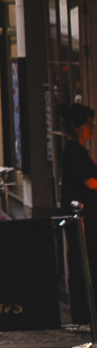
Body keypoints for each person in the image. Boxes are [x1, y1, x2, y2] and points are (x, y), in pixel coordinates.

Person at [60, 105, 97, 320]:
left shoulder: (78, 151)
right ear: (75, 126)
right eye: (88, 124)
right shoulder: (74, 152)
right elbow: (90, 182)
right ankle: (84, 315)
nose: (91, 128)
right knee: (83, 261)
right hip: (82, 218)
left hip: (84, 216)